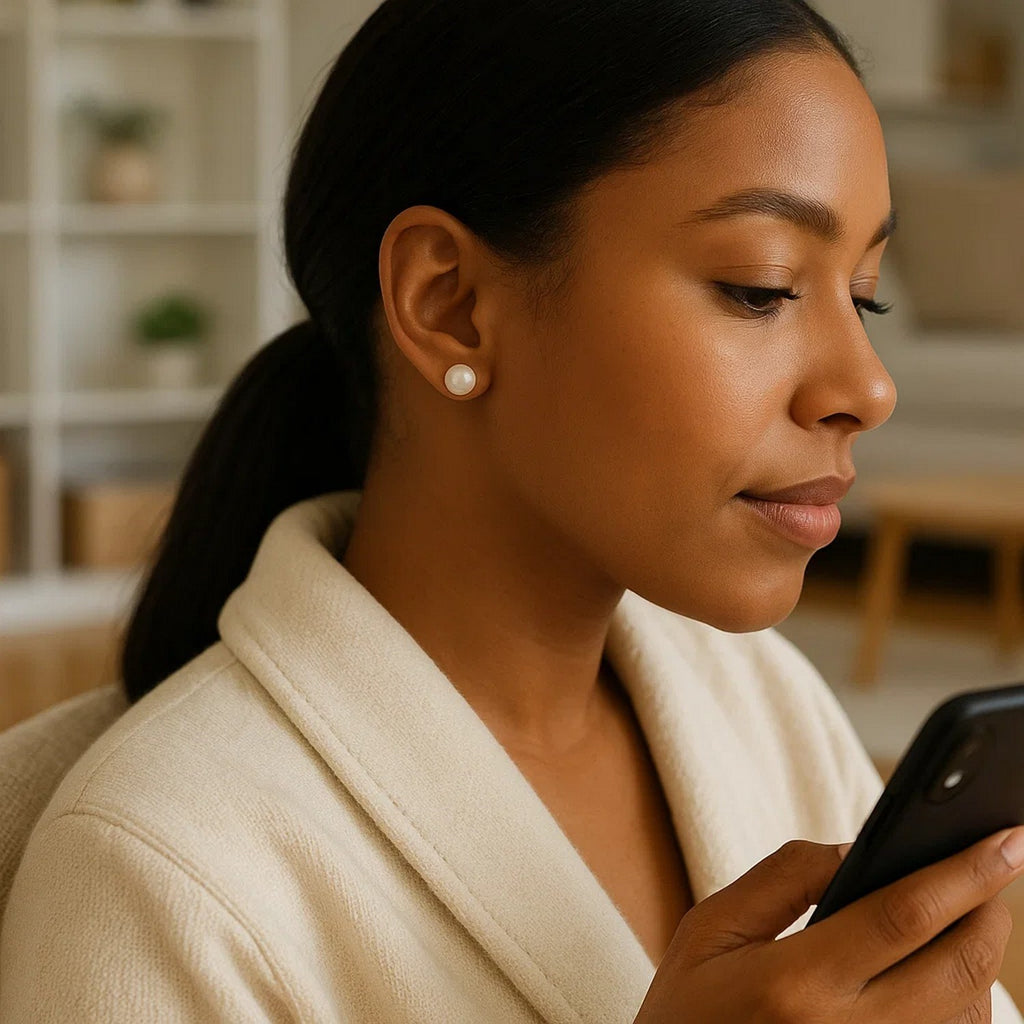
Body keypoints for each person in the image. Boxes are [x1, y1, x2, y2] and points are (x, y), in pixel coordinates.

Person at [1, 0, 1022, 1020]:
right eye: (759, 287)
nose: (868, 387)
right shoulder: (159, 874)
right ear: (450, 304)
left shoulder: (755, 699)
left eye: (865, 294)